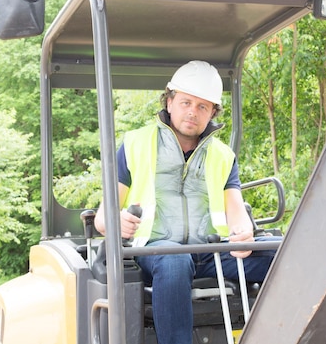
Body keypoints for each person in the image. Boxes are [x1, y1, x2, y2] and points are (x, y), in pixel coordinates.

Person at [94, 60, 278, 344]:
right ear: (169, 102)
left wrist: (244, 233)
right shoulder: (135, 144)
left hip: (211, 252)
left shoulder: (223, 155)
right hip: (154, 252)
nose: (193, 112)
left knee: (284, 251)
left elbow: (236, 210)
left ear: (212, 112)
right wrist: (115, 220)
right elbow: (102, 219)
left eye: (203, 106)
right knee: (175, 259)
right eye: (185, 102)